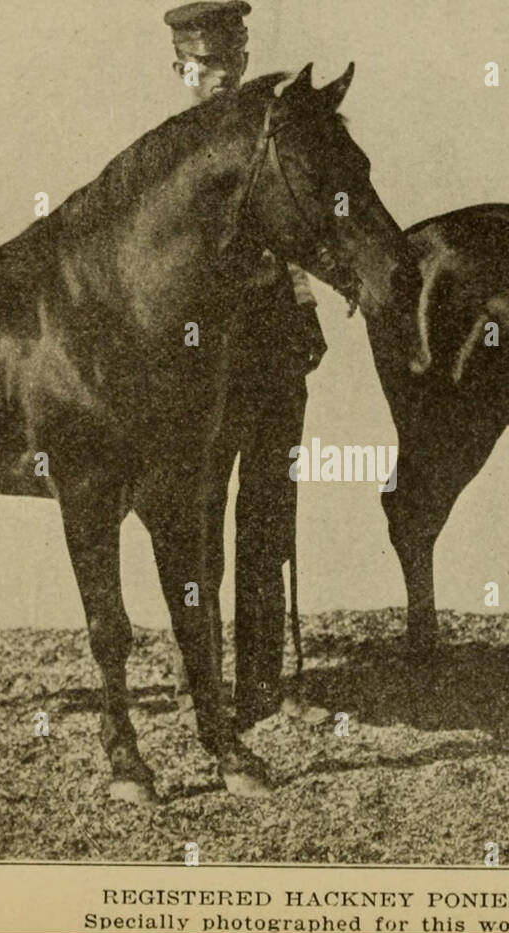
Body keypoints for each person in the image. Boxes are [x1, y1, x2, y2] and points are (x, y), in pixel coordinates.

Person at [164, 1, 331, 729]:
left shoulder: (265, 144)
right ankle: (194, 671)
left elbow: (290, 234)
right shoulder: (170, 165)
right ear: (181, 71)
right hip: (204, 366)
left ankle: (262, 681)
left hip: (272, 357)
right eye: (207, 68)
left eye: (232, 63)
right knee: (197, 521)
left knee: (269, 516)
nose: (223, 78)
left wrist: (304, 305)